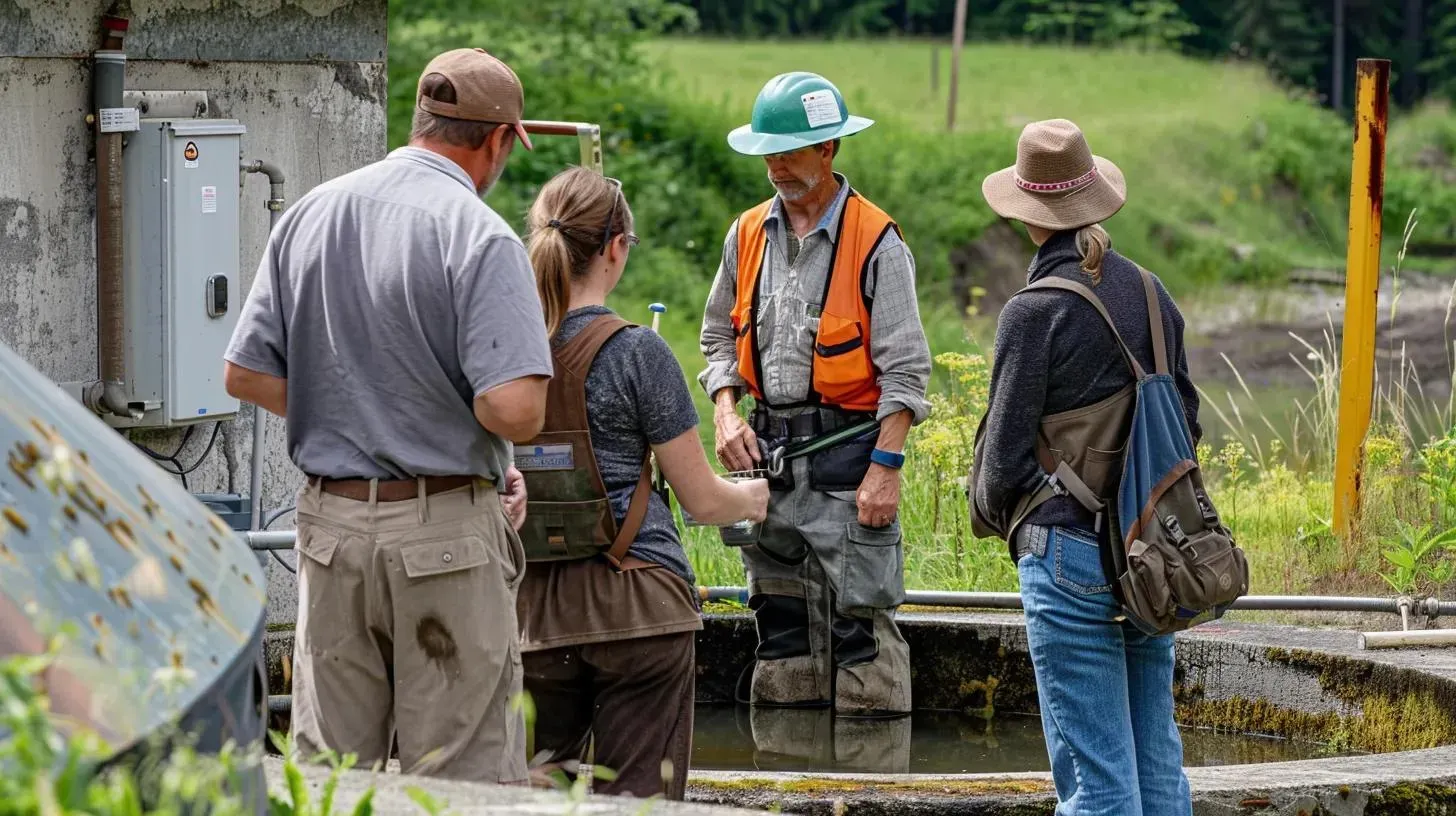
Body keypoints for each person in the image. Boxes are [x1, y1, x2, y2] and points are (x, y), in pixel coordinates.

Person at [222, 47, 553, 784]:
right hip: (444, 537)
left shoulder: (312, 211)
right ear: (498, 140)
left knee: (332, 774)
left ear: (423, 122)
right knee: (461, 778)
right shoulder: (479, 234)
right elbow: (515, 407)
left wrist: (353, 408)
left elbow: (245, 373)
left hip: (329, 536)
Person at [514, 166, 769, 800]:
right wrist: (755, 497)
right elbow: (704, 501)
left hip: (531, 613)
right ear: (616, 248)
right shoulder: (638, 353)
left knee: (533, 793)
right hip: (640, 609)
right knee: (640, 802)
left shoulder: (502, 348)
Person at [972, 119, 1201, 815]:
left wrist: (1000, 514)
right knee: (1157, 764)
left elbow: (1002, 465)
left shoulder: (1034, 310)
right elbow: (1186, 422)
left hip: (1068, 554)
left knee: (1094, 780)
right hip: (1150, 552)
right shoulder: (1152, 295)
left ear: (1026, 215)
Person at [698, 71, 932, 719]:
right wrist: (724, 410)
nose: (774, 165)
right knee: (780, 629)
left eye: (788, 151)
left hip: (850, 469)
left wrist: (885, 469)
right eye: (766, 151)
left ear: (828, 149)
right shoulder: (745, 235)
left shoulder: (876, 241)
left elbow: (907, 373)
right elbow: (717, 338)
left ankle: (876, 779)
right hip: (766, 473)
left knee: (862, 632)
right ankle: (782, 778)